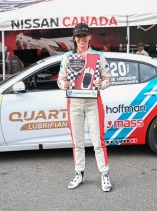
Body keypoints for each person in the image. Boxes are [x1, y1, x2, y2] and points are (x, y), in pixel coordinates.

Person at [57, 23, 112, 192]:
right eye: (78, 37)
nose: (81, 39)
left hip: (92, 102)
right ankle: (79, 173)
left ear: (89, 38)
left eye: (84, 36)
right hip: (74, 102)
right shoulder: (67, 57)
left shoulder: (98, 55)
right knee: (77, 142)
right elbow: (60, 80)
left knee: (98, 141)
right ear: (75, 39)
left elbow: (108, 79)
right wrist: (64, 84)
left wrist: (101, 83)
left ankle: (104, 174)